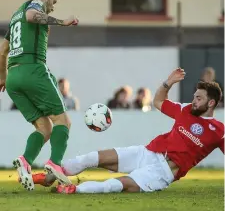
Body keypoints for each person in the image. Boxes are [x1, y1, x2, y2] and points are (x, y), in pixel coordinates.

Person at [32, 68, 224, 194]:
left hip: (162, 172)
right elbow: (158, 101)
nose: (194, 100)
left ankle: (74, 190)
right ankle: (49, 177)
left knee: (114, 185)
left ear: (211, 103)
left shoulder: (219, 131)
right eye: (194, 96)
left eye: (199, 98)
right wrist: (168, 82)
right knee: (91, 157)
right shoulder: (185, 109)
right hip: (147, 152)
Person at [0, 0, 79, 191]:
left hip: (13, 77)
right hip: (33, 69)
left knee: (44, 128)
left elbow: (2, 49)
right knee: (63, 121)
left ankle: (25, 161)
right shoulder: (34, 5)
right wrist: (63, 22)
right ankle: (54, 164)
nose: (53, 6)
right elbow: (32, 16)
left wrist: (2, 77)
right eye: (53, 1)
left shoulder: (16, 14)